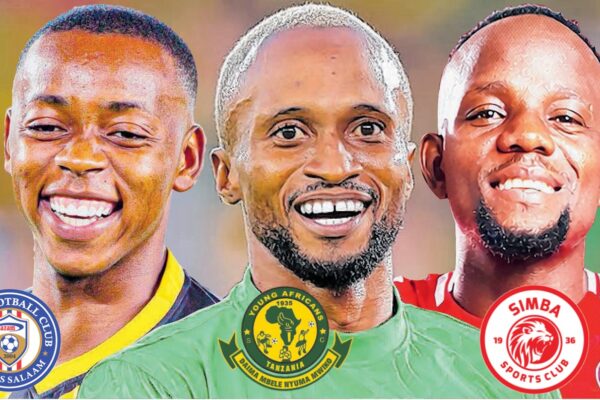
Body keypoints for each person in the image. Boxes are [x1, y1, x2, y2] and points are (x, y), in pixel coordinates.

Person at [79, 4, 555, 398]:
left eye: (367, 128)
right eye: (289, 133)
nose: (334, 165)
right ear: (227, 176)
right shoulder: (150, 384)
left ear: (407, 166)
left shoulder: (504, 383)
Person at [1, 5, 218, 398]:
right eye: (46, 126)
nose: (80, 157)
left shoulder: (225, 377)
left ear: (186, 160)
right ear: (9, 142)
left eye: (126, 134)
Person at [395, 5, 600, 398]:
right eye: (487, 113)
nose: (528, 136)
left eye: (566, 118)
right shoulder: (361, 336)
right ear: (436, 166)